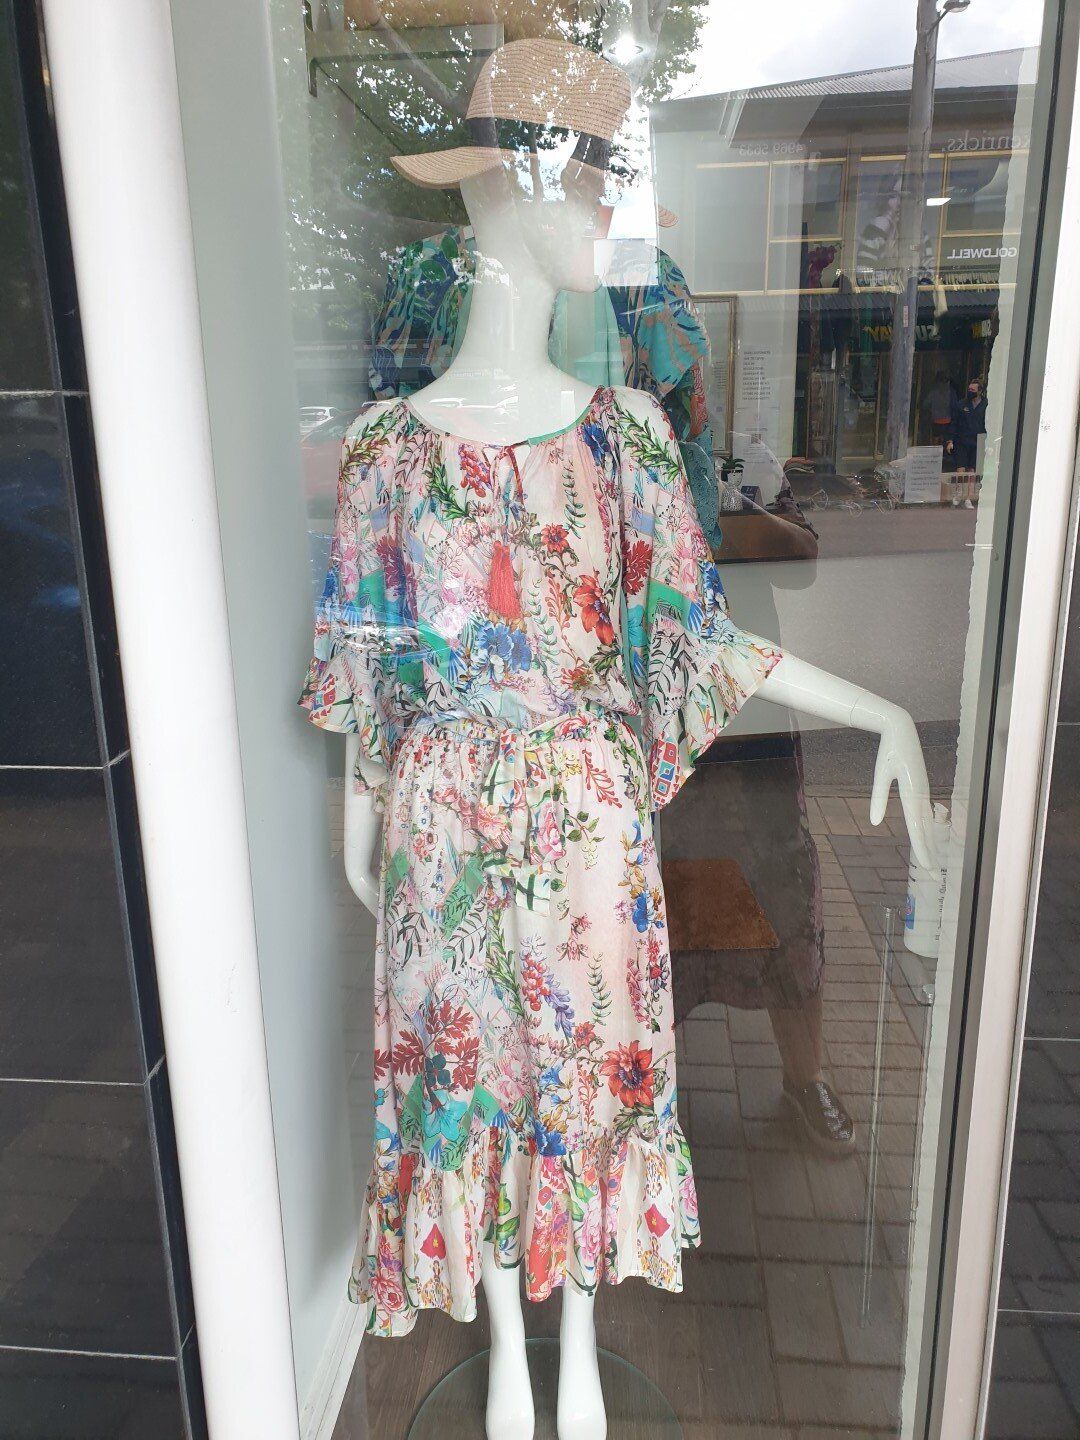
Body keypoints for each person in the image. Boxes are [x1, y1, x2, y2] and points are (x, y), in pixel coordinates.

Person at [948, 376, 987, 474]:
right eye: (969, 389)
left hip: (977, 443)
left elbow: (990, 425)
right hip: (962, 441)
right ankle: (959, 489)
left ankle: (970, 489)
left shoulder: (986, 405)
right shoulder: (961, 404)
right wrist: (949, 440)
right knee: (960, 470)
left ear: (980, 391)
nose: (970, 391)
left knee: (972, 472)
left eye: (973, 390)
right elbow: (954, 423)